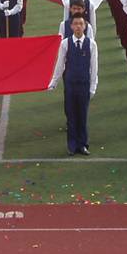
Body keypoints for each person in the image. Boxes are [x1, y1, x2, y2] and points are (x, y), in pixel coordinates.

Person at [49, 14, 97, 156]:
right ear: (71, 26)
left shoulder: (91, 44)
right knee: (71, 115)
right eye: (75, 24)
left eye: (80, 24)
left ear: (85, 26)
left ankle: (82, 145)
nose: (78, 27)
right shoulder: (65, 43)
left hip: (84, 84)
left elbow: (94, 68)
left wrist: (93, 87)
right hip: (70, 84)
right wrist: (54, 81)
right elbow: (60, 64)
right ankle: (72, 145)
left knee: (82, 115)